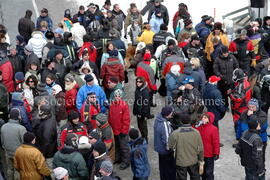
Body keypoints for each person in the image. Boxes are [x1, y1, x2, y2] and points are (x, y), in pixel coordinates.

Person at [168, 113, 204, 180]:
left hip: (181, 161)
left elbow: (170, 146)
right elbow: (201, 148)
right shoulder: (196, 132)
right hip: (193, 160)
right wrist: (201, 159)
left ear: (180, 121)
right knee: (195, 177)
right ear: (190, 121)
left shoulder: (175, 133)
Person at [1, 108, 26, 180]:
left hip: (7, 152)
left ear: (9, 116)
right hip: (18, 154)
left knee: (10, 169)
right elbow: (24, 143)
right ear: (19, 117)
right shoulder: (22, 128)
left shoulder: (3, 126)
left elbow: (2, 141)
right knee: (17, 170)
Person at [108, 90, 130, 170]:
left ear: (121, 97)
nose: (117, 97)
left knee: (124, 147)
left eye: (118, 96)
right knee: (116, 146)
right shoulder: (112, 105)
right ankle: (118, 158)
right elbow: (110, 117)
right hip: (114, 130)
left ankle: (126, 161)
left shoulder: (124, 105)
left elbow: (126, 120)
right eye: (115, 96)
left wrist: (124, 131)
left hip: (121, 131)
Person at [194, 112, 220, 180]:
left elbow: (216, 142)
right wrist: (195, 125)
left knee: (209, 172)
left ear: (209, 119)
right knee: (202, 172)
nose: (203, 119)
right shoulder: (199, 127)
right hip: (200, 154)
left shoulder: (213, 129)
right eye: (202, 117)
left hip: (209, 154)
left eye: (205, 118)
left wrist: (216, 153)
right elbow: (193, 132)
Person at [154, 106, 176, 180]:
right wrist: (171, 149)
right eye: (171, 113)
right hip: (166, 151)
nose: (172, 114)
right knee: (169, 169)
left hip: (160, 149)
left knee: (163, 168)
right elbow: (167, 140)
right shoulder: (164, 124)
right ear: (167, 115)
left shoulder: (158, 119)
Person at [33, 104, 57, 169]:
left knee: (49, 168)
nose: (38, 112)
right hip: (46, 147)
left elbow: (46, 142)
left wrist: (42, 153)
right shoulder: (50, 117)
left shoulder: (48, 127)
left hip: (48, 152)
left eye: (40, 111)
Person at [133, 76, 152, 141]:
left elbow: (146, 104)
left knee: (143, 126)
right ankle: (143, 137)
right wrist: (135, 110)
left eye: (140, 82)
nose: (138, 83)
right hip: (138, 111)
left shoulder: (145, 91)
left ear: (143, 82)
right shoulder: (138, 89)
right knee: (139, 126)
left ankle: (145, 138)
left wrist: (143, 114)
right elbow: (136, 101)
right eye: (137, 81)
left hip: (142, 113)